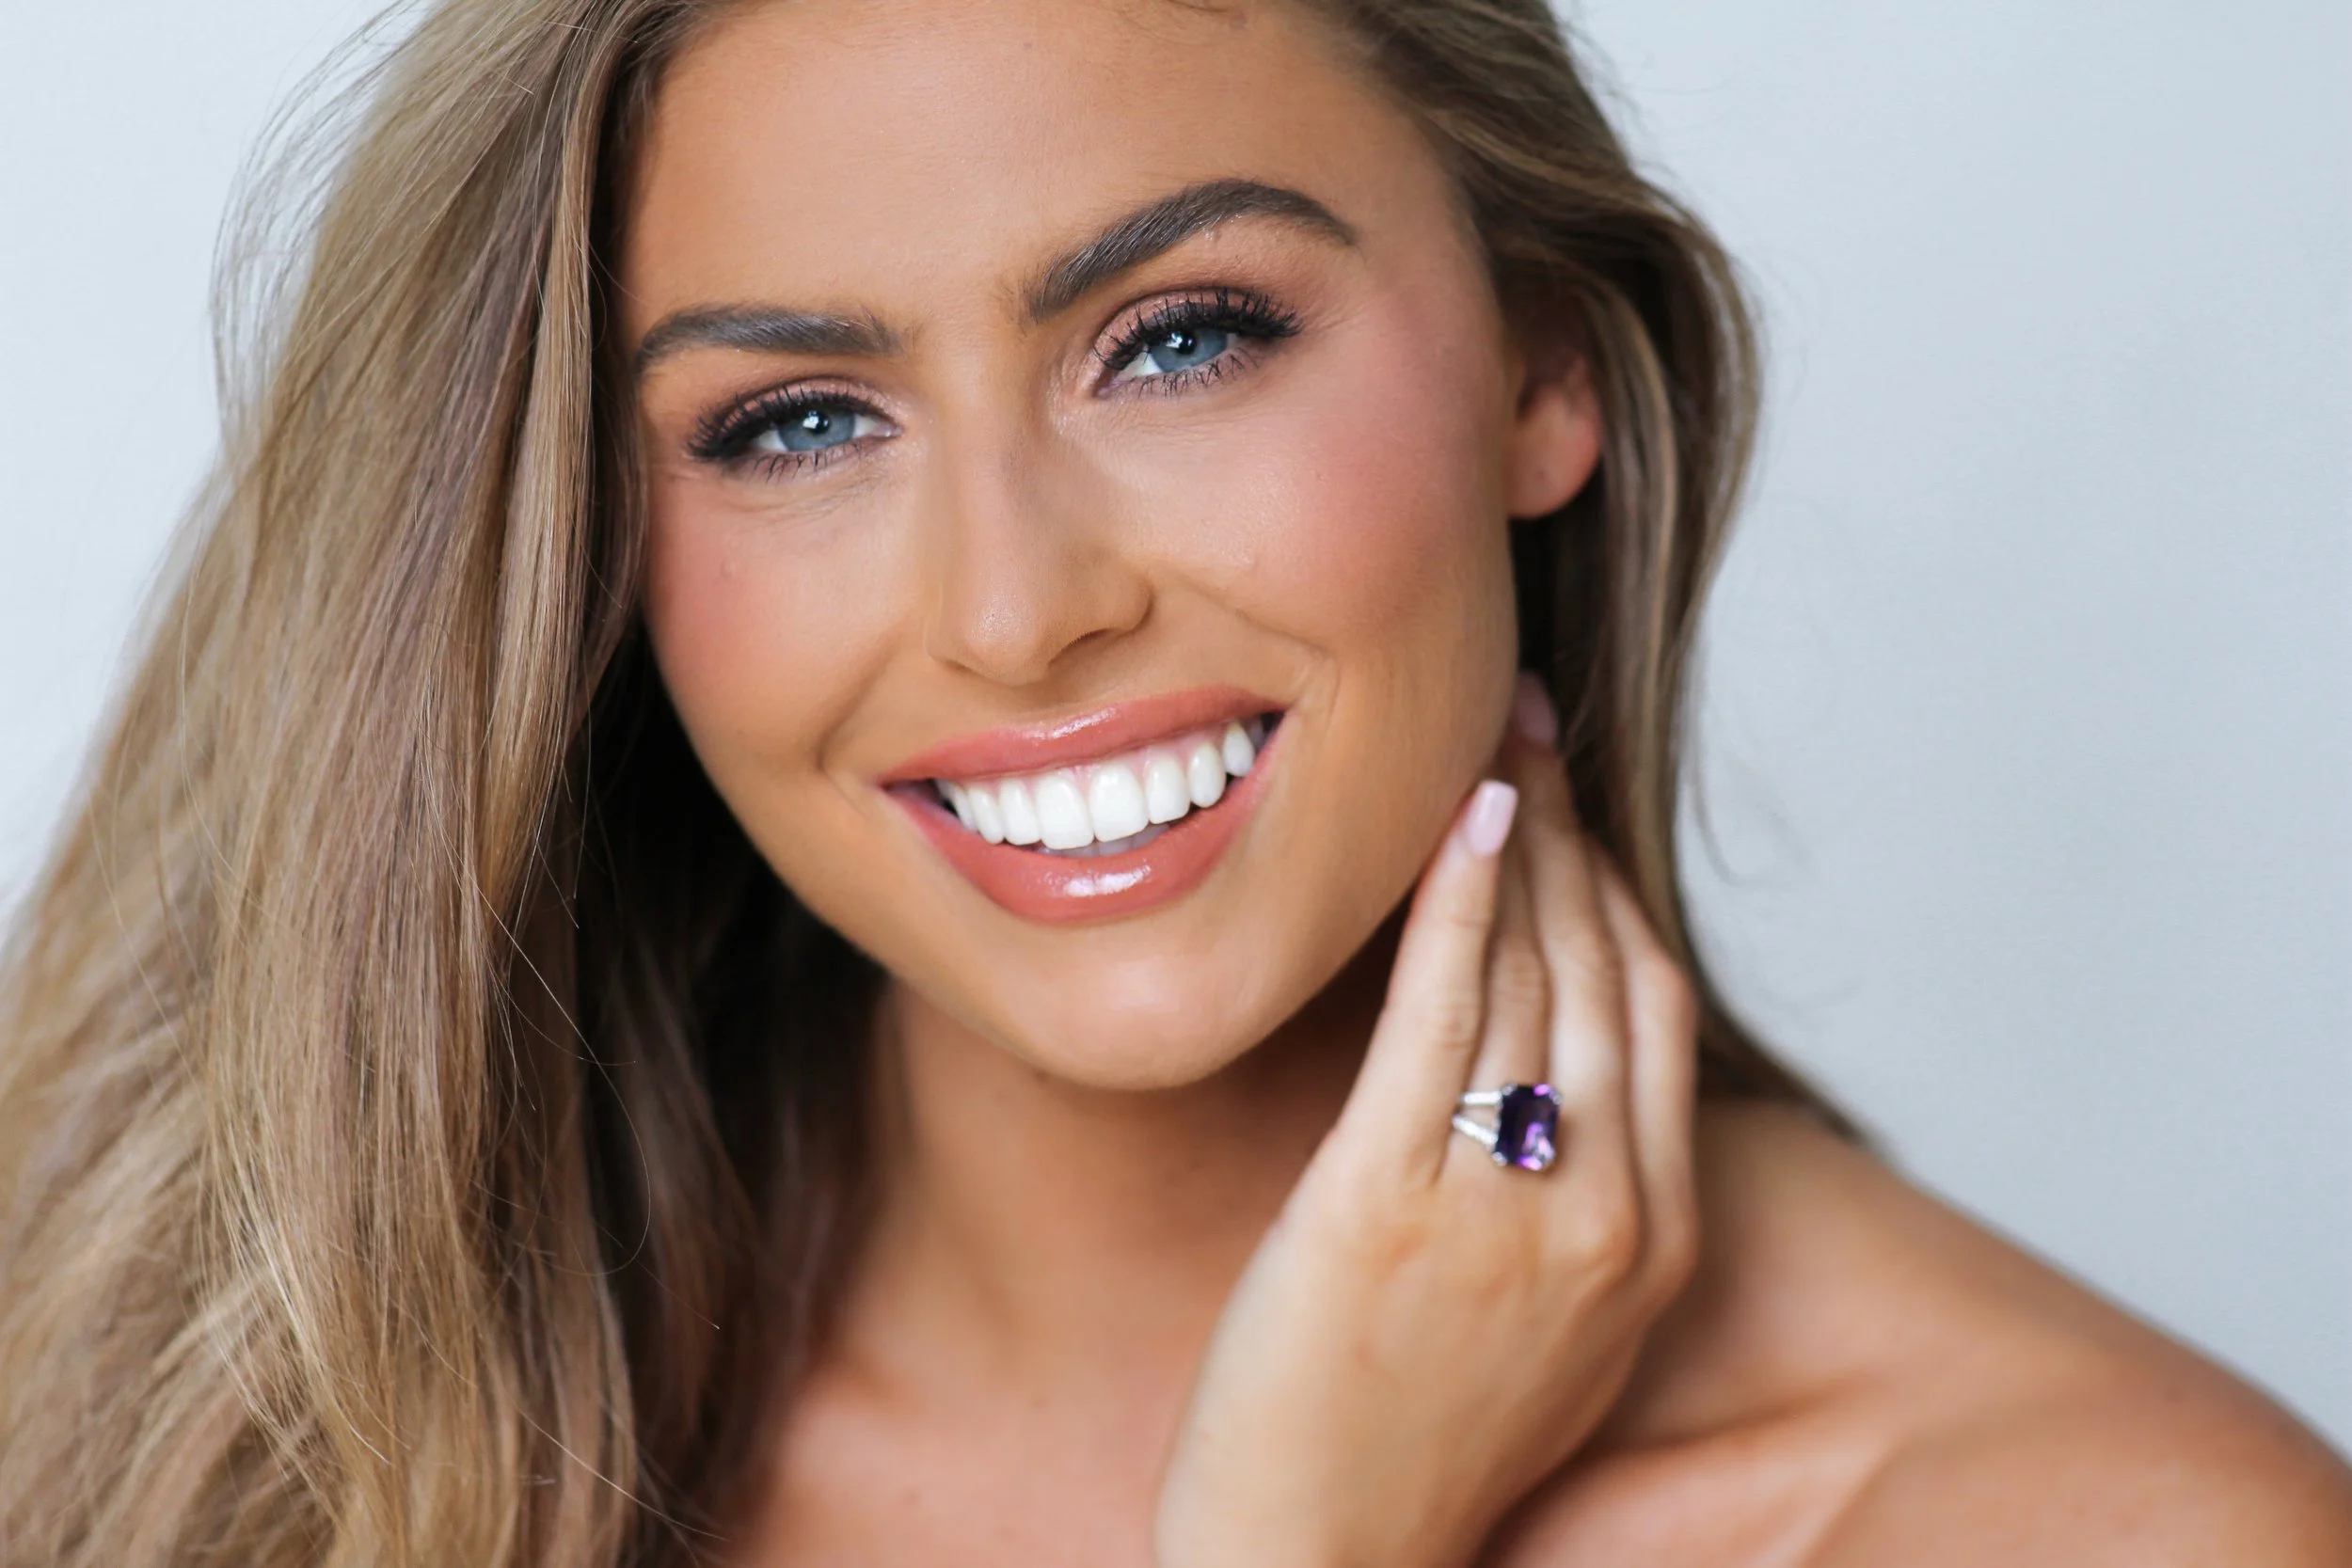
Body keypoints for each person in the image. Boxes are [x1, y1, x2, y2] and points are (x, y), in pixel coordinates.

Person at [2, 0, 2346, 1562]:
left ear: (1543, 360)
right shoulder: (267, 1395)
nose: (1013, 610)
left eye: (1181, 337)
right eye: (795, 421)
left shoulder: (2085, 1520)